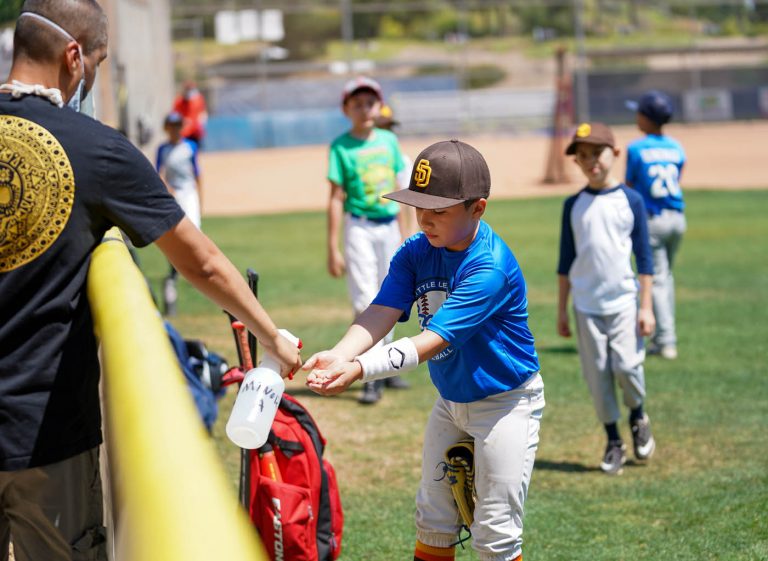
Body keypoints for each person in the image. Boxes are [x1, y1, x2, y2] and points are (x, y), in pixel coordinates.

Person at [0, 3, 301, 560]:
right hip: (45, 433)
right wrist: (272, 334)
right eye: (97, 61)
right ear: (73, 56)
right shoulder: (97, 150)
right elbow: (201, 261)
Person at [306, 139, 545, 561]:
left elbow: (429, 342)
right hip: (451, 401)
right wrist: (342, 354)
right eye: (419, 207)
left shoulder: (488, 266)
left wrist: (360, 369)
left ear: (478, 209)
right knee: (433, 521)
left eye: (439, 210)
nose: (425, 220)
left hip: (505, 404)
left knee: (494, 533)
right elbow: (381, 310)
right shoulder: (417, 250)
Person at [556, 122, 656, 475]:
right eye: (582, 156)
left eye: (596, 153)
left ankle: (638, 416)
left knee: (627, 367)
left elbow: (645, 258)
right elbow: (565, 262)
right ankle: (613, 440)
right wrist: (562, 310)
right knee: (598, 377)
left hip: (625, 303)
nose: (590, 161)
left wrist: (646, 306)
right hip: (585, 305)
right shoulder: (573, 205)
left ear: (614, 153)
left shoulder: (631, 201)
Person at [326, 76, 410, 404]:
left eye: (370, 102)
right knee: (365, 300)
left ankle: (383, 366)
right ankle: (368, 373)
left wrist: (406, 232)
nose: (365, 109)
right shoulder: (341, 147)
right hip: (359, 227)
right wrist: (332, 247)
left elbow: (400, 188)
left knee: (391, 295)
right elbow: (335, 197)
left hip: (389, 226)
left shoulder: (388, 141)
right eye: (357, 103)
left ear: (379, 105)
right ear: (346, 109)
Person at [625, 90, 687, 360]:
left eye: (639, 112)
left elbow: (630, 186)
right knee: (666, 278)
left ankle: (666, 341)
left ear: (647, 118)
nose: (636, 116)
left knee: (656, 280)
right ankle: (665, 336)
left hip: (653, 220)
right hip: (677, 218)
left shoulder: (636, 148)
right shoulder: (676, 147)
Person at [156, 111, 203, 316]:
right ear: (167, 128)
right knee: (177, 233)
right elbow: (159, 172)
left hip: (188, 191)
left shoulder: (189, 147)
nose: (175, 129)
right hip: (174, 192)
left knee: (195, 230)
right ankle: (174, 274)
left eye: (178, 125)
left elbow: (197, 173)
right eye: (171, 125)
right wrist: (166, 189)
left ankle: (196, 270)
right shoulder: (163, 149)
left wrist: (200, 198)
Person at [374, 103, 417, 239]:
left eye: (389, 128)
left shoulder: (402, 161)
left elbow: (410, 201)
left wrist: (411, 235)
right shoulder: (360, 160)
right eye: (381, 128)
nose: (387, 133)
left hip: (394, 231)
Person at [172, 80, 207, 148]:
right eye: (187, 89)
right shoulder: (179, 101)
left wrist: (202, 122)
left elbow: (203, 113)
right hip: (183, 133)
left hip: (195, 132)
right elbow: (175, 115)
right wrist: (183, 121)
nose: (189, 91)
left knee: (195, 152)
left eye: (191, 89)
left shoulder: (198, 99)